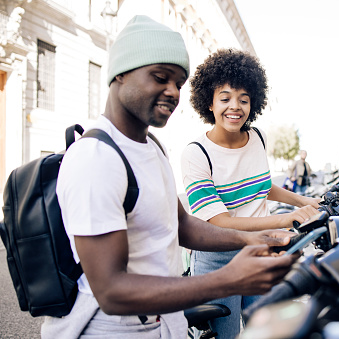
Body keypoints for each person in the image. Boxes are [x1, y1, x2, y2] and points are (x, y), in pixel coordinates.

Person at [41, 16, 298, 338]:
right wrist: (230, 279)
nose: (172, 92)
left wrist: (252, 238)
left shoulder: (150, 146)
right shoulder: (96, 157)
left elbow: (182, 225)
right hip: (109, 330)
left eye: (179, 83)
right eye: (160, 77)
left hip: (160, 324)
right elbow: (111, 290)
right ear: (120, 73)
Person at [180, 48, 321, 339]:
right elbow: (219, 221)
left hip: (260, 251)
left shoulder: (257, 137)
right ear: (209, 102)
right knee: (227, 336)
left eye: (244, 99)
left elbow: (261, 187)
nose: (235, 107)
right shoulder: (196, 154)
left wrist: (304, 201)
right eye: (226, 98)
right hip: (217, 258)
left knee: (269, 332)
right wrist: (285, 220)